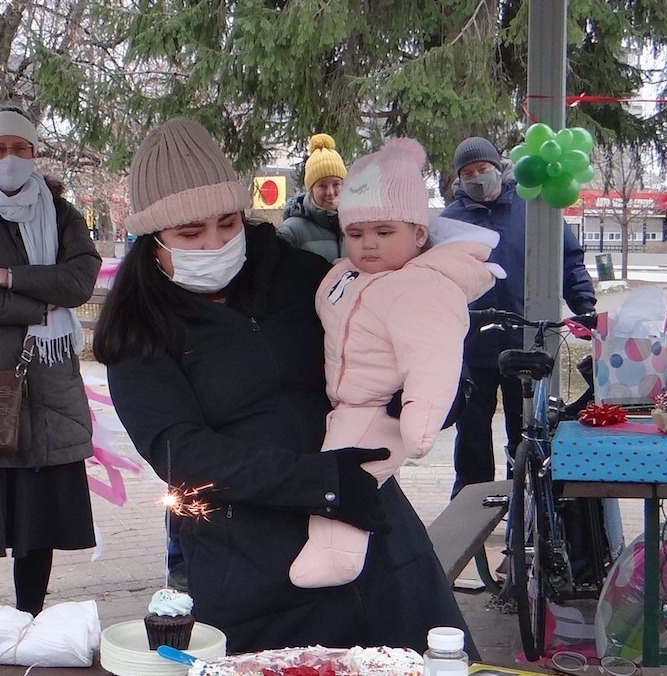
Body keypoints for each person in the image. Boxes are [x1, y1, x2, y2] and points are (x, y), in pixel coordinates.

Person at [91, 118, 478, 656]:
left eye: (227, 223)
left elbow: (393, 332)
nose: (215, 242)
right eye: (189, 234)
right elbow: (183, 453)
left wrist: (438, 393)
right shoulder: (138, 329)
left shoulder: (300, 274)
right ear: (152, 239)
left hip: (380, 545)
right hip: (255, 572)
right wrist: (318, 481)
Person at [290, 138, 501, 589]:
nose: (367, 245)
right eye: (355, 233)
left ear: (418, 234)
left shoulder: (421, 288)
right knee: (329, 465)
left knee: (346, 474)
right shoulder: (349, 275)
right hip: (343, 400)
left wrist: (421, 417)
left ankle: (338, 555)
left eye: (384, 233)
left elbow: (433, 356)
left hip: (379, 409)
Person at [0, 107, 101, 646]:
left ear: (36, 155)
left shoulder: (62, 212)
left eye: (22, 149)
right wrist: (37, 307)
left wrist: (13, 277)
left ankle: (29, 623)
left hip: (48, 382)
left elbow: (80, 280)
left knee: (39, 518)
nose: (11, 159)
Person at [440, 136, 597, 497]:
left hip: (525, 338)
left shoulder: (534, 208)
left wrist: (583, 305)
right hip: (471, 344)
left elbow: (567, 259)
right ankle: (471, 502)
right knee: (472, 430)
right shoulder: (451, 221)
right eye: (468, 173)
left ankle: (527, 501)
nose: (478, 178)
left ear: (499, 168)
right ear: (459, 180)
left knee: (525, 429)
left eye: (483, 169)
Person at [278, 133, 347, 261]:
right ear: (311, 189)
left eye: (336, 184)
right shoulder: (291, 231)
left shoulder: (358, 225)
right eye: (322, 186)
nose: (330, 192)